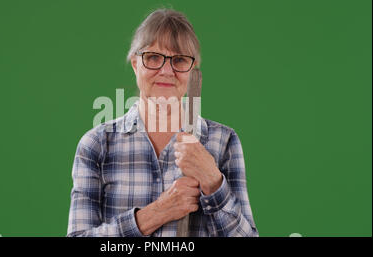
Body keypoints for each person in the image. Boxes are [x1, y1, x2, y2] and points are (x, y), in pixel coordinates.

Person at [67, 8, 258, 237]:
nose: (166, 71)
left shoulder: (223, 141)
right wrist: (158, 212)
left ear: (193, 70)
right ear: (136, 64)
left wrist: (213, 182)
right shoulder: (96, 145)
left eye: (179, 60)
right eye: (153, 57)